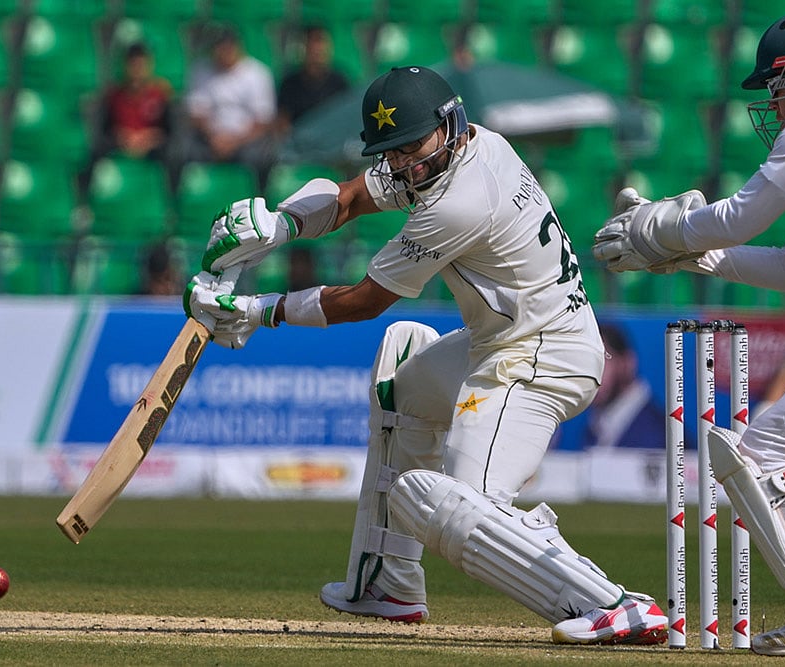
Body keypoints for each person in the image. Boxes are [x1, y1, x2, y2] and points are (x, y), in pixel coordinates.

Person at [184, 65, 667, 645]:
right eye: (392, 152)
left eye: (412, 148)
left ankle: (614, 604)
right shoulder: (452, 153)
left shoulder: (459, 202)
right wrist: (278, 223)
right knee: (405, 390)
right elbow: (351, 197)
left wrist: (258, 310)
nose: (404, 164)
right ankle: (388, 583)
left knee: (457, 505)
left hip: (541, 359)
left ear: (449, 124)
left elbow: (365, 300)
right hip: (503, 342)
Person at [591, 8, 785, 657]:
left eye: (776, 84)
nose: (772, 101)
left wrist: (657, 231)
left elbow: (740, 217)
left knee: (763, 453)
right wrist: (694, 255)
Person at [80, 42, 176, 197]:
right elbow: (105, 129)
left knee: (174, 155)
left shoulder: (160, 94)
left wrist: (150, 138)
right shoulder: (114, 96)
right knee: (91, 153)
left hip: (151, 148)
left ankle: (170, 201)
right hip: (121, 145)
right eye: (133, 64)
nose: (137, 70)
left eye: (141, 64)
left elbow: (170, 131)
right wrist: (121, 137)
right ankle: (86, 200)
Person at [185, 27, 277, 188]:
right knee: (182, 152)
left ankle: (259, 196)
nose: (223, 51)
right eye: (218, 47)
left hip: (246, 140)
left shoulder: (257, 73)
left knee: (261, 156)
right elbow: (197, 114)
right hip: (210, 138)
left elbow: (263, 121)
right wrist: (214, 138)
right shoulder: (201, 70)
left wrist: (233, 142)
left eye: (227, 46)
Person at [581, 323, 666, 449]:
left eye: (600, 361)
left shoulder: (659, 436)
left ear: (627, 363)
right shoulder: (595, 426)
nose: (588, 374)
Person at [275, 25, 351, 134]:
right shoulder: (289, 83)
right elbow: (282, 121)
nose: (317, 52)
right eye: (313, 46)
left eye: (322, 45)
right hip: (300, 140)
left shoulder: (340, 81)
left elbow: (346, 119)